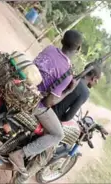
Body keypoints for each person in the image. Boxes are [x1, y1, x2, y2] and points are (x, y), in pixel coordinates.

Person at [8, 30, 83, 175]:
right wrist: (68, 91)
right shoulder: (67, 73)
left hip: (22, 87)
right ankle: (20, 154)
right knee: (58, 135)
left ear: (62, 40)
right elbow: (49, 102)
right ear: (78, 49)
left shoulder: (49, 48)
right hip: (35, 103)